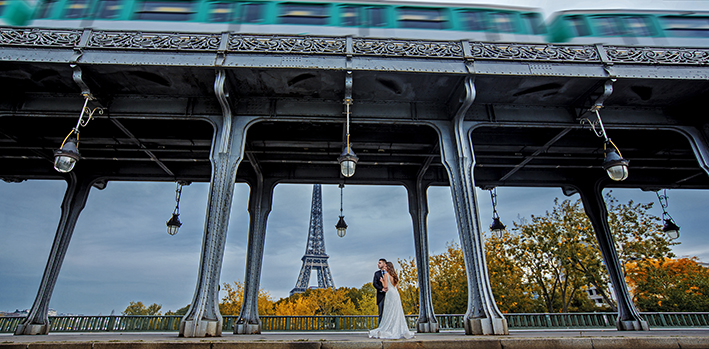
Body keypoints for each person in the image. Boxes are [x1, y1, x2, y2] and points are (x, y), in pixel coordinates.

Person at [368, 261, 415, 339]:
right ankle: (397, 328)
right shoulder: (395, 275)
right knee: (396, 311)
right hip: (396, 294)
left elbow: (386, 287)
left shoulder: (386, 274)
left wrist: (382, 281)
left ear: (388, 267)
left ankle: (389, 327)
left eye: (386, 266)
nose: (385, 268)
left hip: (389, 294)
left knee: (389, 311)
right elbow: (397, 287)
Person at [372, 258, 388, 323]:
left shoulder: (389, 272)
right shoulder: (377, 274)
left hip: (389, 296)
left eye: (380, 263)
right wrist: (381, 289)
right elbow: (374, 283)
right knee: (381, 314)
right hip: (380, 296)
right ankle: (380, 328)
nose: (378, 264)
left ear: (384, 264)